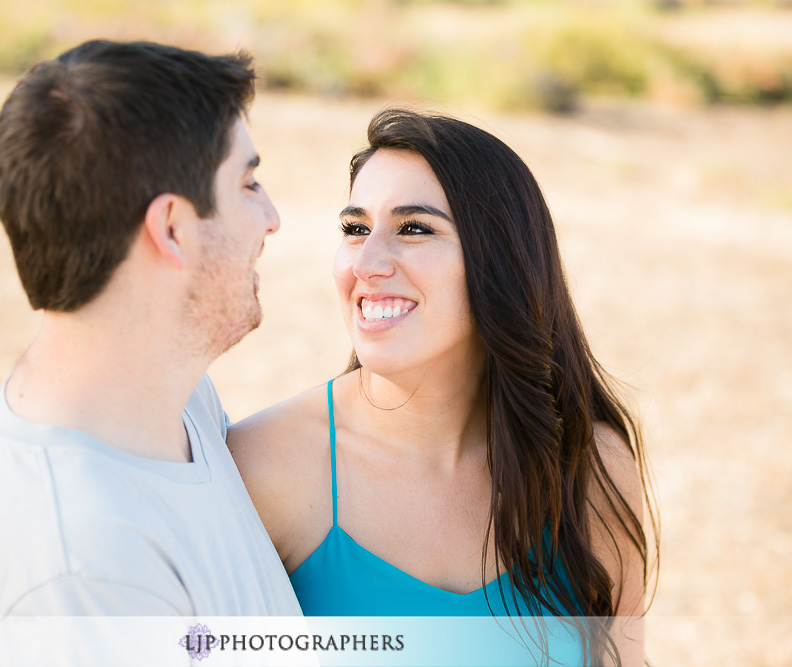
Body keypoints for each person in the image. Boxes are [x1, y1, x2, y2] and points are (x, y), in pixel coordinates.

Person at [229, 109, 658, 666]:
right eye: (355, 229)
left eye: (414, 228)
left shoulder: (588, 466)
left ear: (501, 262)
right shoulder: (267, 468)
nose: (368, 263)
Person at [0, 39, 300, 667]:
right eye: (248, 183)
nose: (271, 218)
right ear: (172, 229)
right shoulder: (83, 572)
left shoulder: (172, 402)